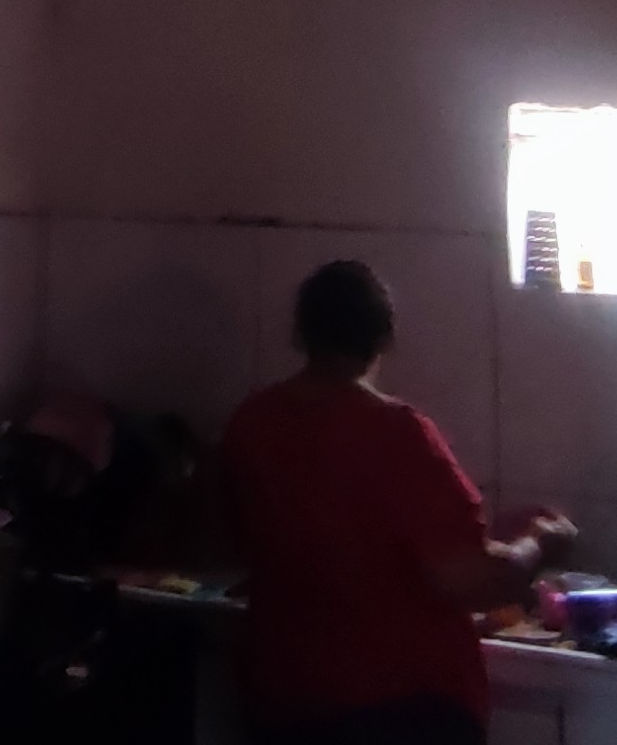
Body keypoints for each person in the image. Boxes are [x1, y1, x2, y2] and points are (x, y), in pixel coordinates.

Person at [221, 260, 573, 745]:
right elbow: (471, 580)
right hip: (397, 708)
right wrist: (540, 542)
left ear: (301, 334)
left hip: (281, 698)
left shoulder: (253, 423)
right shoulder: (395, 433)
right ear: (384, 336)